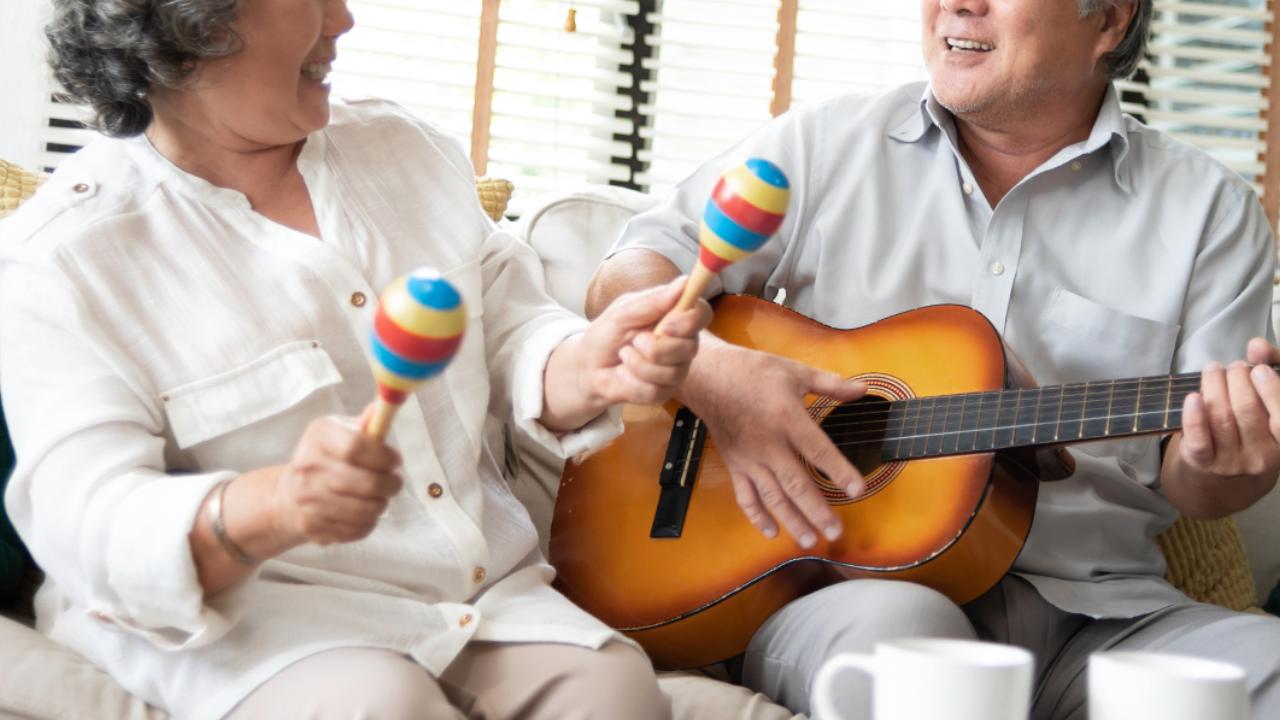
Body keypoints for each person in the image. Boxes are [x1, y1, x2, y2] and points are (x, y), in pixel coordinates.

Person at [0, 1, 714, 718]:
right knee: (379, 704)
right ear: (190, 24)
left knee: (613, 688)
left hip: (477, 604)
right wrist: (273, 506)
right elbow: (89, 519)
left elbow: (512, 328)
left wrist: (585, 362)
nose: (342, 19)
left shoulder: (405, 150)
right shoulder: (62, 260)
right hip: (246, 627)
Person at [587, 0, 1280, 718]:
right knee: (916, 670)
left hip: (1106, 618)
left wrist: (1225, 462)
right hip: (854, 599)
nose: (957, 3)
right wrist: (714, 375)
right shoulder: (827, 143)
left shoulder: (1209, 210)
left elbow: (1202, 485)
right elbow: (629, 268)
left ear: (1107, 19)